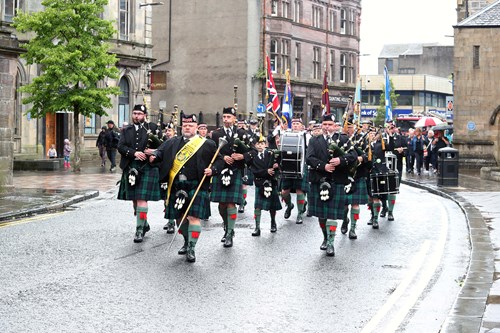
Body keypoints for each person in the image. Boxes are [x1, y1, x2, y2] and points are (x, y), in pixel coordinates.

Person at [151, 114, 217, 262]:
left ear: (196, 127)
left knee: (193, 217)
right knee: (180, 218)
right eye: (185, 125)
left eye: (191, 125)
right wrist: (154, 155)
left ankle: (192, 248)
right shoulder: (172, 142)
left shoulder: (207, 144)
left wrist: (213, 170)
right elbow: (161, 152)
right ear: (182, 127)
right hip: (177, 185)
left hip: (196, 184)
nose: (187, 127)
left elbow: (218, 159)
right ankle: (186, 241)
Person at [306, 114, 357, 257]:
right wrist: (324, 166)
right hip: (320, 180)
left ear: (335, 126)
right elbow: (309, 158)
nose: (327, 127)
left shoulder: (343, 139)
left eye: (330, 124)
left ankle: (331, 243)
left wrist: (341, 160)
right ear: (322, 125)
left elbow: (353, 156)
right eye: (325, 124)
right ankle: (325, 236)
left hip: (337, 181)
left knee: (332, 215)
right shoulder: (314, 140)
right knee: (322, 216)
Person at [116, 104, 161, 243]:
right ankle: (144, 223)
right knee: (135, 201)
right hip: (130, 166)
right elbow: (120, 147)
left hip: (147, 167)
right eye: (134, 113)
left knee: (142, 198)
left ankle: (139, 230)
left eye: (139, 113)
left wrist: (154, 152)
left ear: (145, 115)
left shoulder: (153, 128)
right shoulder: (126, 130)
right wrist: (134, 153)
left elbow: (163, 145)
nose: (136, 116)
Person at [210, 106, 248, 248]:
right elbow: (211, 150)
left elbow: (253, 151)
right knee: (221, 204)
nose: (226, 120)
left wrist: (242, 156)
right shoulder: (216, 134)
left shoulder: (242, 133)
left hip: (235, 170)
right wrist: (223, 156)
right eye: (224, 117)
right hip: (221, 170)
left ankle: (230, 233)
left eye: (229, 117)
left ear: (234, 119)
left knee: (231, 203)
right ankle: (226, 225)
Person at [246, 135, 281, 236]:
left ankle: (273, 222)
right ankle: (257, 227)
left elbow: (279, 162)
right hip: (260, 183)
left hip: (271, 182)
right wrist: (266, 171)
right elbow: (254, 171)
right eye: (258, 144)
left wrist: (276, 166)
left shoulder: (271, 154)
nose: (260, 146)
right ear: (255, 145)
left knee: (272, 207)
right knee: (257, 206)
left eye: (262, 144)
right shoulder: (252, 157)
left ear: (265, 145)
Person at [281, 118, 309, 224]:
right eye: (293, 124)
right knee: (284, 192)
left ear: (302, 126)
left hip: (301, 166)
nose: (295, 126)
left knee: (299, 191)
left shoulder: (306, 136)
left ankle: (300, 213)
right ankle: (289, 205)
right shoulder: (286, 135)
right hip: (288, 166)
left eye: (297, 124)